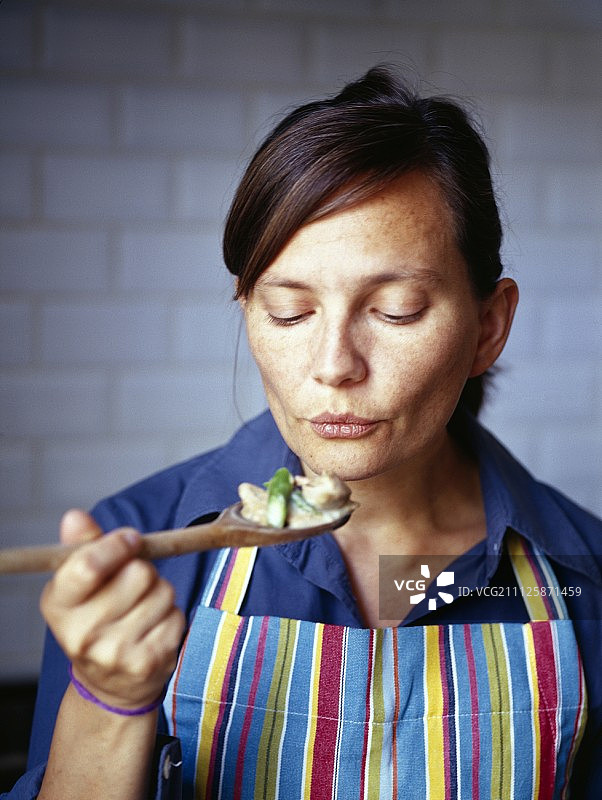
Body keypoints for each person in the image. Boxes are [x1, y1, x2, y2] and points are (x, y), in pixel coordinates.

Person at [4, 66, 601, 800]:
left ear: (488, 327)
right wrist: (109, 702)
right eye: (290, 312)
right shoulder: (141, 552)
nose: (334, 366)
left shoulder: (584, 573)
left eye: (397, 310)